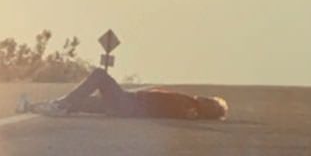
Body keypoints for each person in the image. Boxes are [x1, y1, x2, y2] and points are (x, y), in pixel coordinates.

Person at [29, 67, 229, 120]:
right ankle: (31, 107)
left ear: (208, 110)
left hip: (129, 104)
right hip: (127, 106)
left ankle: (58, 106)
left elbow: (186, 114)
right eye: (210, 99)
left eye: (211, 103)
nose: (206, 99)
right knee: (81, 103)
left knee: (100, 75)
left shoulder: (191, 108)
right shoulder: (191, 104)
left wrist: (193, 112)